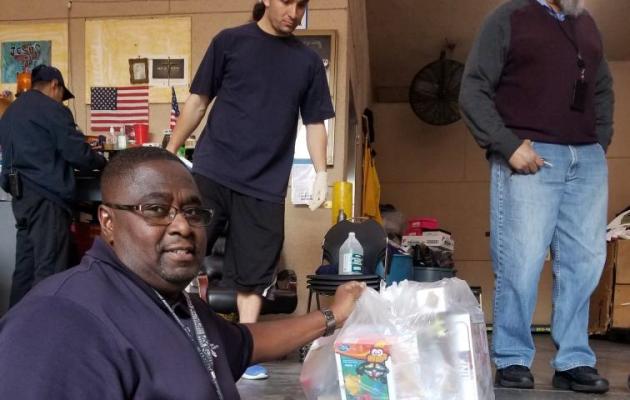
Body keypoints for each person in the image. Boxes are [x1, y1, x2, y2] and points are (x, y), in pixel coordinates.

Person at [0, 147, 364, 399]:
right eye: (156, 209)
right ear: (108, 222)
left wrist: (335, 314)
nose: (183, 227)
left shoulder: (179, 307)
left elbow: (247, 342)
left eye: (193, 213)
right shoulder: (59, 320)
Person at [166, 0, 334, 379]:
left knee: (253, 275)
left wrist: (321, 172)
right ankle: (172, 336)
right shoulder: (229, 42)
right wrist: (169, 151)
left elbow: (316, 122)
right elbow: (197, 102)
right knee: (182, 249)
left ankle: (246, 351)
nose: (294, 11)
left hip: (265, 183)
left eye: (302, 4)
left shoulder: (307, 63)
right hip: (213, 169)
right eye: (287, 2)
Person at [460, 0, 614, 394]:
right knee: (521, 259)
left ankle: (574, 360)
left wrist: (598, 145)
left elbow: (601, 88)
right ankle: (511, 357)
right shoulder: (508, 17)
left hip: (586, 159)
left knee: (585, 262)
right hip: (529, 156)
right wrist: (507, 146)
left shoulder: (587, 24)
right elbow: (473, 88)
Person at [0, 65, 107, 307]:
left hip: (21, 199)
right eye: (62, 95)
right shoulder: (51, 109)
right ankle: (45, 332)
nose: (62, 100)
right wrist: (102, 162)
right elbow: (78, 153)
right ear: (54, 85)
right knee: (50, 270)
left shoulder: (11, 112)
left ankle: (13, 331)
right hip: (48, 197)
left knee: (25, 269)